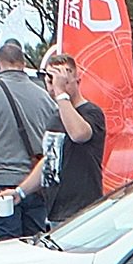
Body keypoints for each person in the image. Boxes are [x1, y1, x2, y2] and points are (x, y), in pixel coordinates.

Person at [0, 39, 58, 239]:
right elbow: (54, 144)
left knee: (8, 244)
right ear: (23, 64)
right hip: (36, 184)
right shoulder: (44, 97)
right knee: (35, 241)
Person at [7, 52, 107, 228]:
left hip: (82, 211)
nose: (54, 86)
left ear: (77, 80)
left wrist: (62, 94)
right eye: (51, 80)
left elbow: (79, 134)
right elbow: (49, 161)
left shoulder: (91, 112)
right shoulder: (55, 117)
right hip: (54, 211)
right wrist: (20, 192)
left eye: (62, 79)